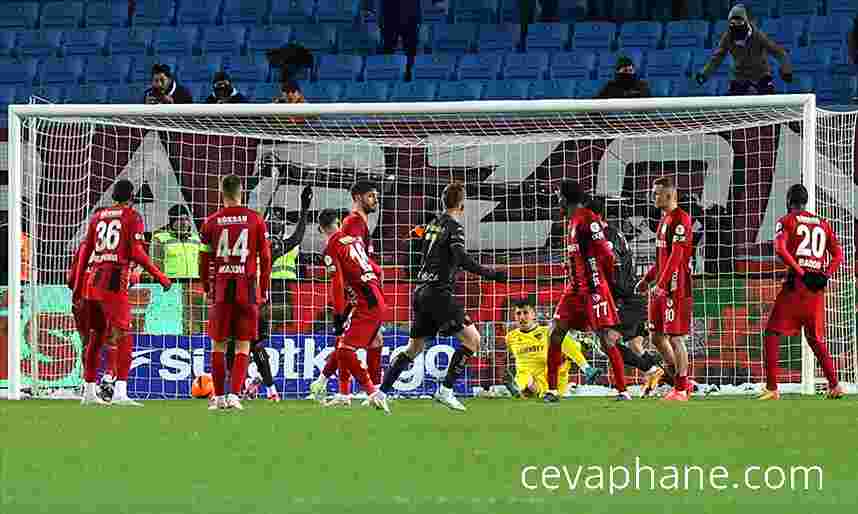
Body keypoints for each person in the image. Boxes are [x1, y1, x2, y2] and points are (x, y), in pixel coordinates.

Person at [380, 183, 507, 411]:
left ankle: (380, 393)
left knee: (414, 349)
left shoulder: (430, 225)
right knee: (473, 340)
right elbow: (461, 258)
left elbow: (410, 241)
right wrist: (491, 274)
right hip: (439, 293)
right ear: (461, 204)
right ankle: (446, 391)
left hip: (420, 291)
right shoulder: (454, 228)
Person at [72, 180, 172, 406]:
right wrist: (160, 276)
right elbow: (136, 252)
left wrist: (78, 287)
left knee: (96, 336)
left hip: (92, 282)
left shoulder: (98, 217)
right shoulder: (132, 217)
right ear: (131, 198)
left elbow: (86, 252)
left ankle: (88, 391)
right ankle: (120, 391)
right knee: (124, 333)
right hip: (114, 280)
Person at [545, 181, 630, 403]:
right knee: (555, 332)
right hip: (574, 289)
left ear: (564, 198)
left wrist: (605, 283)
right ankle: (552, 390)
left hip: (593, 288)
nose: (557, 201)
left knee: (606, 339)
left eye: (558, 197)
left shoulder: (588, 218)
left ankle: (623, 390)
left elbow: (606, 254)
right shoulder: (571, 221)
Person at [228, 186, 313, 402]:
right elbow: (295, 238)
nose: (275, 226)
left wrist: (304, 209)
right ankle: (263, 388)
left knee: (241, 345)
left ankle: (246, 387)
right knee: (250, 346)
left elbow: (295, 239)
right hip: (251, 302)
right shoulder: (262, 245)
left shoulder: (266, 246)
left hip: (250, 302)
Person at [760, 184, 844, 400]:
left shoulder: (787, 220)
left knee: (771, 333)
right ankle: (834, 385)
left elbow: (780, 248)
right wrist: (825, 275)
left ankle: (772, 388)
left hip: (797, 285)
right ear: (805, 202)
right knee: (815, 338)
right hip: (816, 288)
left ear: (789, 201)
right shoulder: (823, 224)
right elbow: (838, 255)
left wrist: (800, 271)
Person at [199, 175, 272, 411]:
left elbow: (203, 259)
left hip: (221, 289)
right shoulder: (256, 220)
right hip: (247, 288)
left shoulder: (211, 222)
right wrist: (264, 289)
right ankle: (234, 396)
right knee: (243, 346)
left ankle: (218, 397)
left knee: (218, 345)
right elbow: (266, 258)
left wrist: (207, 287)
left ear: (222, 192)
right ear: (242, 192)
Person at [310, 181, 384, 404]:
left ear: (321, 229)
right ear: (357, 197)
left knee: (348, 345)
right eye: (371, 196)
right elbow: (359, 263)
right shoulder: (353, 223)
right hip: (365, 292)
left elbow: (341, 276)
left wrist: (339, 312)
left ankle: (359, 391)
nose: (375, 200)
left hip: (362, 293)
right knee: (362, 342)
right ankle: (346, 390)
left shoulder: (350, 230)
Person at [587, 196, 666, 397]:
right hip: (630, 297)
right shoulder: (609, 234)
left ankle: (655, 371)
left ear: (595, 215)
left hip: (625, 299)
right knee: (635, 346)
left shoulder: (606, 236)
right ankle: (675, 381)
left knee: (608, 341)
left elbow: (615, 272)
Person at [320, 207, 391, 413]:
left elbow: (338, 283)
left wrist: (338, 315)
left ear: (322, 229)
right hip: (376, 297)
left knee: (344, 348)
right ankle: (371, 390)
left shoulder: (331, 247)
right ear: (339, 223)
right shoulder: (355, 240)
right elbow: (378, 270)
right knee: (375, 340)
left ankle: (372, 393)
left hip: (366, 303)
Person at [635, 177, 694, 402]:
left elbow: (677, 256)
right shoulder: (664, 220)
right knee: (657, 337)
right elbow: (662, 259)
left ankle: (680, 389)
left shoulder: (681, 219)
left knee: (676, 338)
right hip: (660, 287)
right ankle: (679, 380)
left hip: (675, 287)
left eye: (657, 193)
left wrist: (661, 284)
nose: (654, 196)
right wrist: (647, 279)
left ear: (670, 195)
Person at [506, 298, 600, 398]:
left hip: (548, 376)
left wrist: (584, 345)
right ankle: (521, 389)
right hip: (525, 376)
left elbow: (573, 350)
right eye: (518, 313)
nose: (522, 317)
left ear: (534, 315)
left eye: (525, 313)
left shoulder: (547, 332)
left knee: (558, 337)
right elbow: (510, 357)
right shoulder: (510, 337)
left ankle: (587, 369)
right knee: (526, 380)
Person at [695, 4, 792, 95]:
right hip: (739, 77)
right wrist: (704, 74)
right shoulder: (728, 36)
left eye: (739, 21)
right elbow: (717, 57)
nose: (736, 24)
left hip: (761, 75)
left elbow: (778, 52)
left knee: (768, 100)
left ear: (746, 21)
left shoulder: (757, 35)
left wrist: (786, 70)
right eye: (732, 22)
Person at [150, 205, 203, 281]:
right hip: (170, 284)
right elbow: (155, 266)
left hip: (193, 283)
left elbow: (201, 263)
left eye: (186, 219)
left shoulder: (196, 239)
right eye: (180, 219)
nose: (184, 223)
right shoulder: (160, 238)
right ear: (172, 221)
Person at [380, 0, 420, 79]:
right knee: (388, 50)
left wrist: (418, 19)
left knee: (410, 50)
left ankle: (409, 75)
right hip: (390, 18)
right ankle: (388, 76)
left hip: (410, 18)